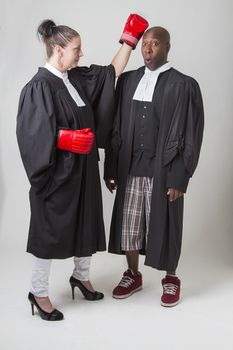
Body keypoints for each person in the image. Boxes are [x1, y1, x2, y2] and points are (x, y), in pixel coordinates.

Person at [16, 15, 149, 321]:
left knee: (87, 222)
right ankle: (38, 292)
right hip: (56, 176)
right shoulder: (39, 86)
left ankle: (81, 277)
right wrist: (63, 138)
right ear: (58, 50)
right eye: (76, 49)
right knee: (48, 232)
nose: (81, 54)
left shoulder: (74, 79)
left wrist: (129, 39)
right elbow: (31, 133)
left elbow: (110, 75)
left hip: (84, 170)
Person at [104, 26, 204, 307]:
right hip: (130, 166)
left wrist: (180, 177)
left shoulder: (184, 85)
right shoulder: (127, 82)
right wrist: (111, 166)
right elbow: (115, 126)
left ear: (167, 48)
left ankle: (171, 278)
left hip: (165, 170)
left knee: (168, 224)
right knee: (129, 225)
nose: (148, 49)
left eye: (155, 44)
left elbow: (191, 134)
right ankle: (133, 274)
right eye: (145, 44)